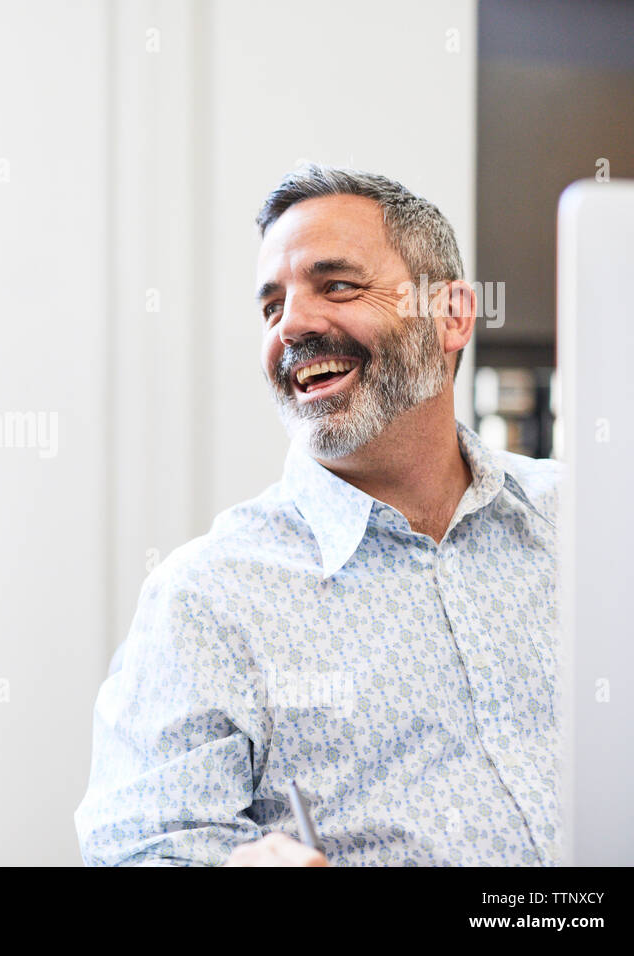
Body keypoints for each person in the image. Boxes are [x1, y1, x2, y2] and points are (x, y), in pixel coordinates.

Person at [74, 164, 562, 866]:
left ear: (452, 314)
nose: (293, 325)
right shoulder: (208, 599)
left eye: (337, 285)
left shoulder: (593, 524)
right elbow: (140, 847)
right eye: (271, 307)